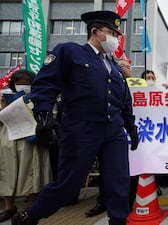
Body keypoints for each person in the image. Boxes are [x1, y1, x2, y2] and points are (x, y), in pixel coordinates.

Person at [12, 11, 139, 225]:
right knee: (68, 185)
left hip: (114, 131)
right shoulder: (70, 52)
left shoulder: (115, 68)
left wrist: (131, 128)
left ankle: (118, 221)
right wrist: (43, 114)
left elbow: (124, 101)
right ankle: (32, 216)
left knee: (119, 181)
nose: (115, 39)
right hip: (81, 128)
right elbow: (45, 83)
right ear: (95, 32)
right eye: (111, 33)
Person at [85, 58, 137, 217]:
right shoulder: (106, 83)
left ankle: (125, 207)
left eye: (127, 67)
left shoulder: (140, 85)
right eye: (120, 66)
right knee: (106, 170)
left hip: (134, 135)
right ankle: (103, 202)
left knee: (130, 173)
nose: (124, 69)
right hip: (109, 133)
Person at [0, 70, 52, 223]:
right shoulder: (4, 97)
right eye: (19, 83)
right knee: (6, 172)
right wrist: (3, 108)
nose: (23, 86)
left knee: (31, 172)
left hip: (30, 140)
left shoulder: (39, 97)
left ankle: (31, 206)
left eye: (26, 83)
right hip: (7, 139)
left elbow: (48, 116)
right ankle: (9, 206)